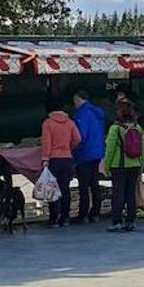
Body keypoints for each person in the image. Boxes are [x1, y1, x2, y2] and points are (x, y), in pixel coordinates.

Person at [103, 100, 144, 232]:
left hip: (119, 165)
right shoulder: (138, 128)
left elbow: (110, 149)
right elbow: (143, 149)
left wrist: (107, 166)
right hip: (135, 164)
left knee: (118, 193)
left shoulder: (115, 129)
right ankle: (131, 221)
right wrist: (141, 166)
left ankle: (117, 221)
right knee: (130, 193)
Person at [41, 99, 81, 227]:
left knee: (52, 189)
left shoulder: (48, 123)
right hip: (67, 159)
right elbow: (78, 139)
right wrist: (69, 148)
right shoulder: (70, 122)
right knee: (65, 189)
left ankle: (54, 219)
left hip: (54, 160)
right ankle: (65, 218)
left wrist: (45, 158)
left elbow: (46, 142)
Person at [71, 90, 105, 224]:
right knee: (94, 183)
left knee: (84, 186)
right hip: (97, 152)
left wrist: (73, 149)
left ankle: (83, 214)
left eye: (75, 101)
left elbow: (80, 136)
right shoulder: (98, 113)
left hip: (84, 153)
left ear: (78, 99)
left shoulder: (81, 114)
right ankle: (96, 212)